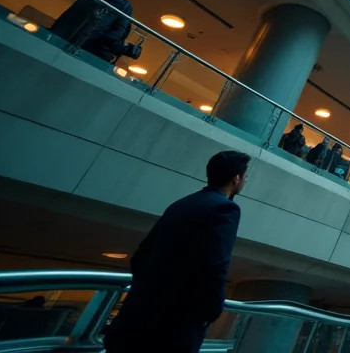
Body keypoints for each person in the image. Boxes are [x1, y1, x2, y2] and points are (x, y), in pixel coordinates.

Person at [104, 151, 249, 352]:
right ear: (236, 178)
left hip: (135, 316)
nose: (245, 181)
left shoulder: (182, 203)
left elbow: (141, 255)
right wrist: (211, 311)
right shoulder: (225, 208)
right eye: (246, 176)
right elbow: (216, 264)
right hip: (173, 326)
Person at [49, 0, 138, 63]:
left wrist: (102, 40)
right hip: (68, 35)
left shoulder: (124, 6)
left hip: (92, 45)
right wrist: (56, 29)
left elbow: (120, 29)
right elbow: (72, 12)